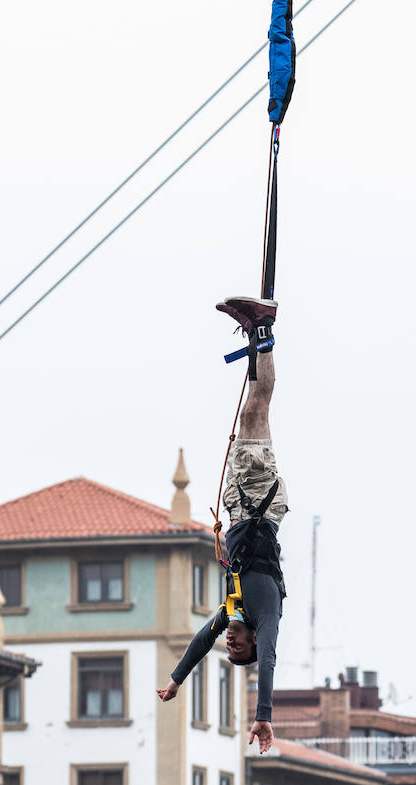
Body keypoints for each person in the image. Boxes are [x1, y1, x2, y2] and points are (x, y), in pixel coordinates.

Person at [157, 296, 287, 754]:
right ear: (252, 642)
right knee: (256, 411)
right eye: (237, 646)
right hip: (260, 504)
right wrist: (263, 716)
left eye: (228, 645)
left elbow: (199, 639)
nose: (229, 640)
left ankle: (257, 333)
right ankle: (264, 329)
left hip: (238, 506)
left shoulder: (233, 610)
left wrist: (176, 680)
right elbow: (267, 660)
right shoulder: (267, 614)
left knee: (253, 410)